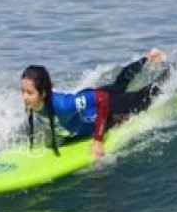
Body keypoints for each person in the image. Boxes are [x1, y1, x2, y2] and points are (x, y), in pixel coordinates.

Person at [20, 47, 167, 160]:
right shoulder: (34, 104)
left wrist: (97, 140)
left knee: (146, 97)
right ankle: (149, 57)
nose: (24, 97)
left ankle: (171, 72)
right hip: (86, 100)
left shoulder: (64, 105)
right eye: (23, 91)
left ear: (43, 93)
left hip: (106, 105)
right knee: (118, 85)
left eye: (29, 92)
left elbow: (102, 99)